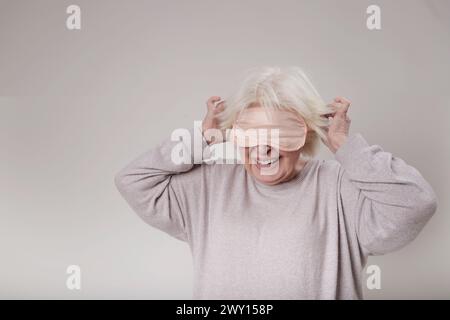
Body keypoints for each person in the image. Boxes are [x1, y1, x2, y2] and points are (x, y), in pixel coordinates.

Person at [114, 66, 437, 299]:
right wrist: (200, 140)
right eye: (252, 133)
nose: (264, 148)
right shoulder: (209, 187)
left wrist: (345, 146)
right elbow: (132, 180)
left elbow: (416, 203)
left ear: (307, 133)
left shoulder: (341, 188)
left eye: (280, 133)